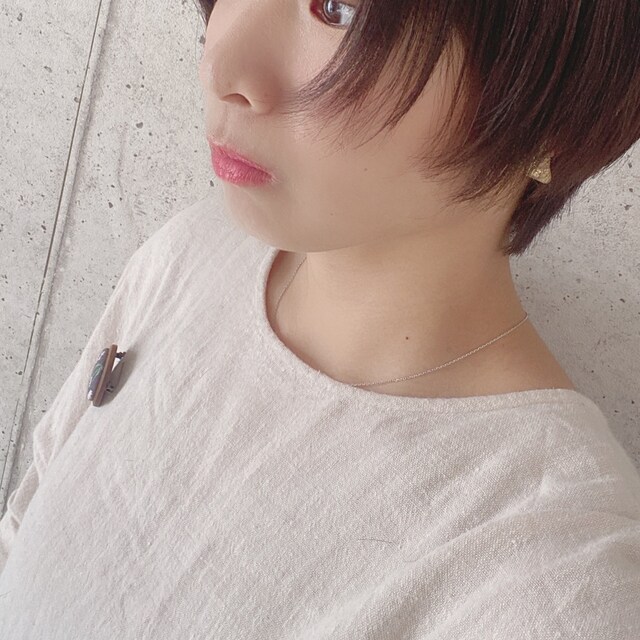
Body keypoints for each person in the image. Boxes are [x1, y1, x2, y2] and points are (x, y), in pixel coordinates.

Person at [1, 1, 639, 637]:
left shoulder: (551, 582)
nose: (220, 64)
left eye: (337, 9)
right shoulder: (194, 251)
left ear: (556, 105)